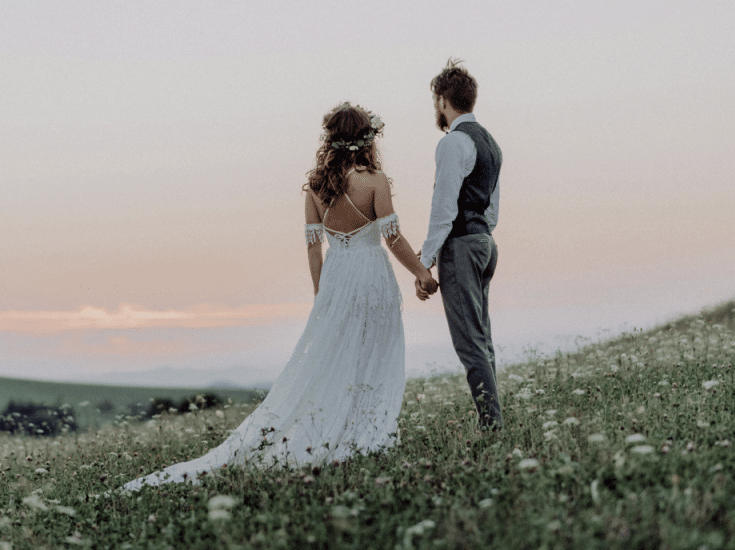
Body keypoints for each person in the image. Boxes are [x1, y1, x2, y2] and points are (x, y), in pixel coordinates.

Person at [123, 103, 436, 489]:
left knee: (336, 357)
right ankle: (364, 432)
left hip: (337, 279)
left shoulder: (317, 188)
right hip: (371, 278)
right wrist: (422, 273)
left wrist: (322, 294)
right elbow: (393, 238)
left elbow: (313, 248)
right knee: (372, 352)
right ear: (367, 140)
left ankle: (335, 430)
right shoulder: (375, 181)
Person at [417, 59, 504, 430]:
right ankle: (494, 420)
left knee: (469, 343)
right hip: (485, 241)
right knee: (482, 337)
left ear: (442, 101)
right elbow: (493, 207)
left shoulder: (453, 142)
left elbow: (443, 208)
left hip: (462, 246)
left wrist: (425, 263)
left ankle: (492, 426)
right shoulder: (492, 143)